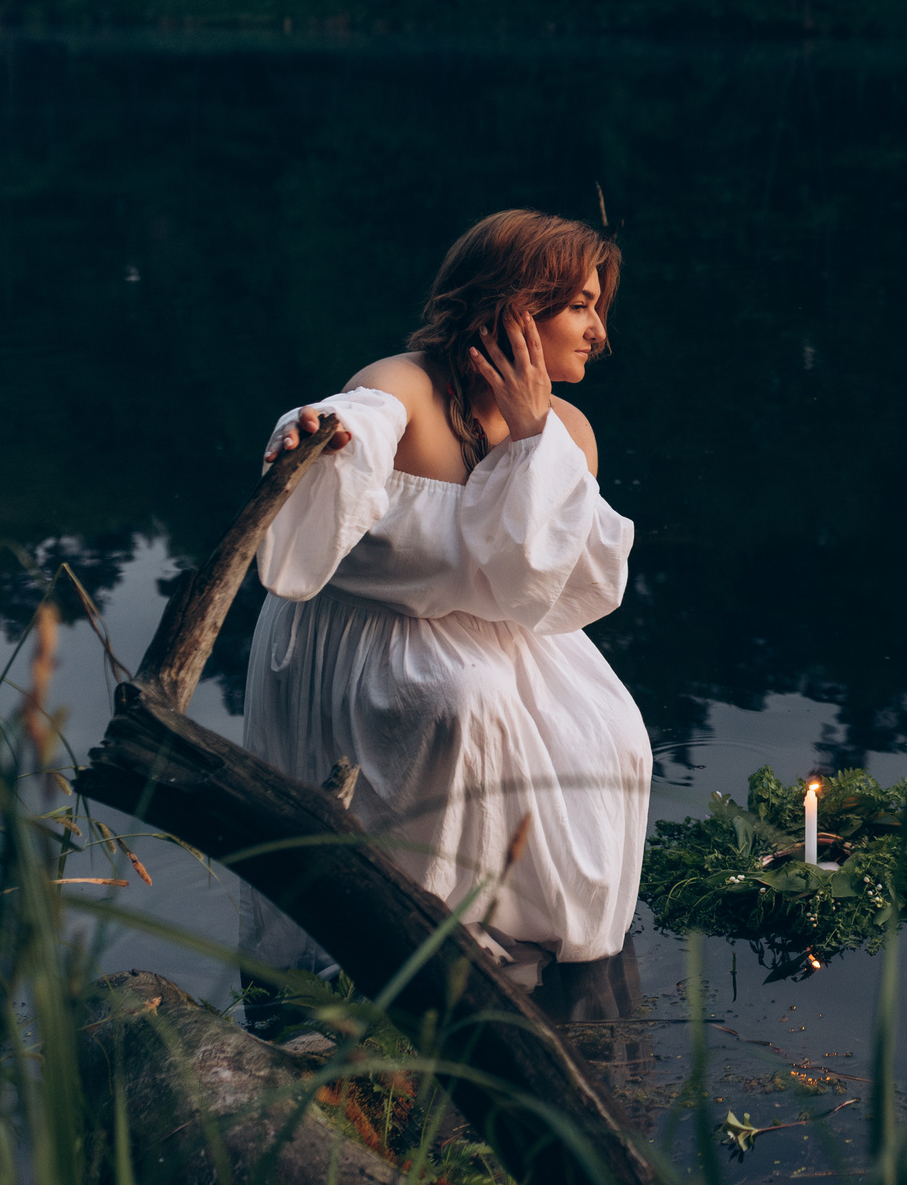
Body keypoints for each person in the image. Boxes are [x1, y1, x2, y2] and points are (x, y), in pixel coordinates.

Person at [240, 208, 648, 1021]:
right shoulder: (404, 385)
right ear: (514, 305)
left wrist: (532, 431)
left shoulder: (569, 428)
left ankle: (528, 943)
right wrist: (319, 435)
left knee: (617, 733)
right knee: (467, 707)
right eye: (579, 305)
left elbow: (560, 574)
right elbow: (355, 419)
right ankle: (405, 952)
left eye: (599, 306)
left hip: (509, 632)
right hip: (367, 630)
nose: (599, 330)